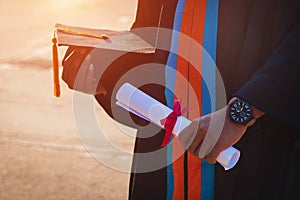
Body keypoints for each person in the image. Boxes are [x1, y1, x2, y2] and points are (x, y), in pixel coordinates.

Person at [61, 0, 300, 199]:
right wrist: (102, 72)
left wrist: (241, 113)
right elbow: (151, 49)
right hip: (165, 167)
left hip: (259, 156)